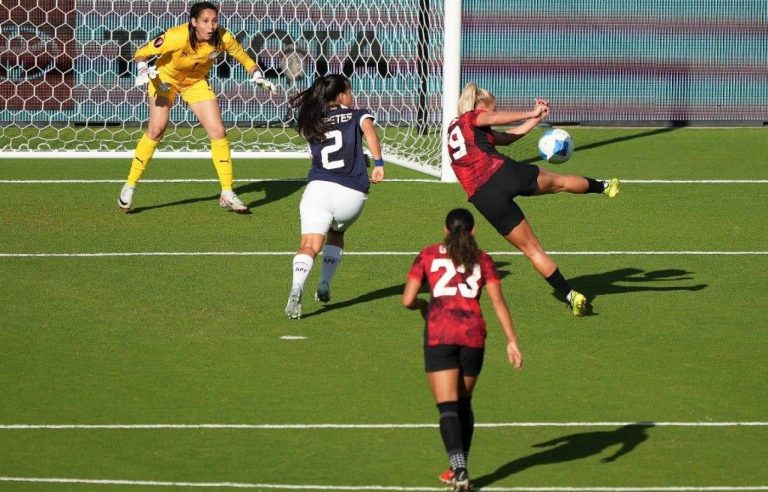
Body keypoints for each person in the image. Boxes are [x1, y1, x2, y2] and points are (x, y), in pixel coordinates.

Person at [446, 82, 621, 316]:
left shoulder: (454, 128)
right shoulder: (473, 118)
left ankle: (571, 295)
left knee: (533, 250)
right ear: (479, 105)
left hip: (483, 197)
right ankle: (604, 186)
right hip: (501, 173)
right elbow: (496, 119)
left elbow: (506, 138)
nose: (491, 112)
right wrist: (531, 112)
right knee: (559, 183)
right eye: (490, 108)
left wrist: (535, 119)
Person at [402, 208, 523, 492]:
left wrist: (422, 305)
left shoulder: (428, 254)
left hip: (440, 334)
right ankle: (459, 467)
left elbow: (408, 300)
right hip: (473, 336)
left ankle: (459, 469)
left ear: (445, 230)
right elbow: (498, 303)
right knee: (464, 404)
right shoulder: (483, 260)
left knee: (447, 407)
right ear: (474, 231)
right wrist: (512, 340)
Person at [117, 1, 276, 213]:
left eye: (214, 20)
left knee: (218, 131)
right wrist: (143, 68)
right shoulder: (176, 36)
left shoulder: (223, 37)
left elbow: (244, 58)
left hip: (195, 83)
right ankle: (129, 185)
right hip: (164, 81)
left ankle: (227, 193)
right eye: (205, 21)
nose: (211, 26)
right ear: (194, 22)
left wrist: (256, 74)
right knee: (156, 130)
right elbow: (140, 52)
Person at [284, 74, 385, 319]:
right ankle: (325, 284)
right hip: (351, 195)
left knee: (308, 245)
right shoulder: (358, 114)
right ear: (341, 95)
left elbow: (314, 156)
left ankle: (297, 287)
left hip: (318, 189)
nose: (352, 96)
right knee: (337, 233)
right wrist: (379, 163)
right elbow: (370, 131)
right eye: (349, 92)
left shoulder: (312, 121)